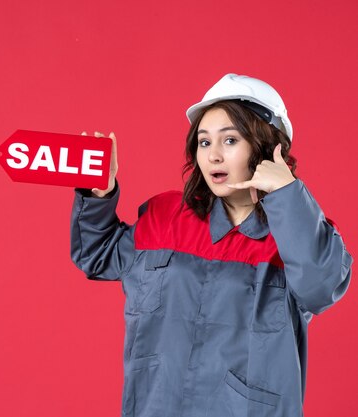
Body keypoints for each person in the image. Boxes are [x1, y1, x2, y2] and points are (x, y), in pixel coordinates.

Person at [70, 73, 353, 417]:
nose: (213, 156)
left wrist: (288, 195)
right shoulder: (165, 216)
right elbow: (98, 256)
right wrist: (98, 195)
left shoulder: (298, 235)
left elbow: (320, 288)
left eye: (230, 140)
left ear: (266, 146)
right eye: (204, 142)